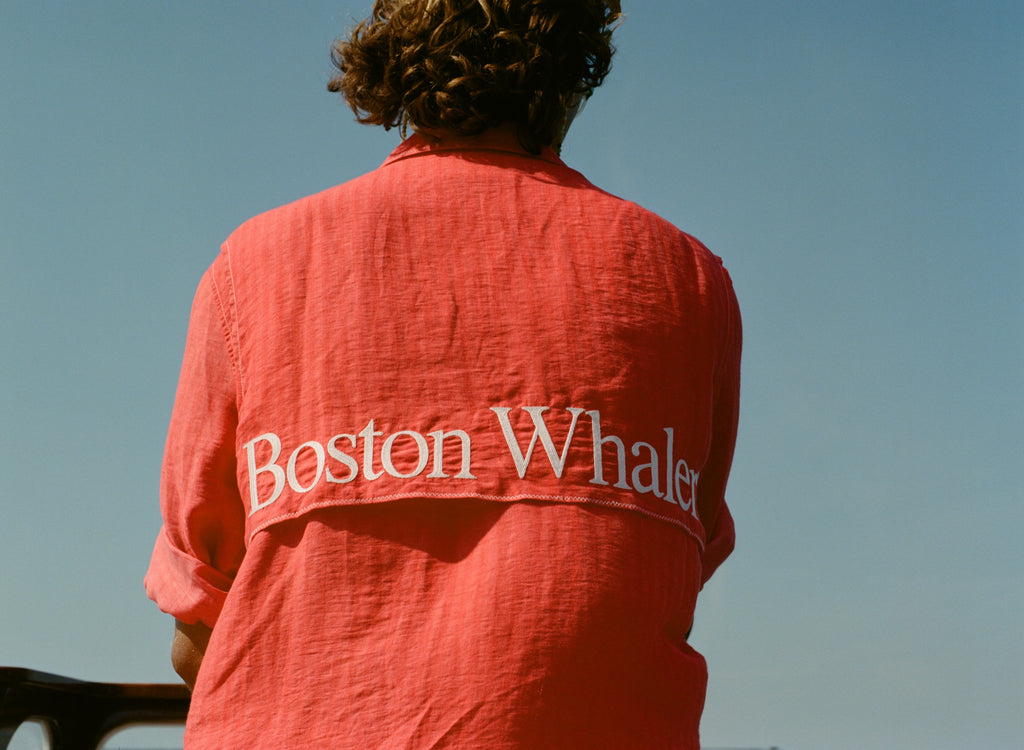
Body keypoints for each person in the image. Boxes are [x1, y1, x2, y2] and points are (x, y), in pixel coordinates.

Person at [144, 1, 741, 747]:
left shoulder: (253, 268)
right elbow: (674, 562)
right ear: (577, 73)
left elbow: (198, 623)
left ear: (392, 64)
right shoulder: (688, 281)